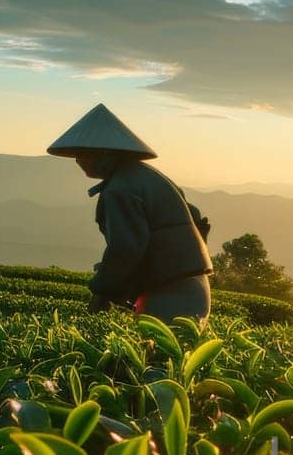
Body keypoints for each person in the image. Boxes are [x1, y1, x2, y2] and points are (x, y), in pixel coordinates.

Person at [47, 104, 213, 322]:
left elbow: (125, 249)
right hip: (193, 286)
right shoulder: (147, 176)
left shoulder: (121, 189)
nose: (78, 160)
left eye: (83, 154)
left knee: (156, 353)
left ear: (105, 154)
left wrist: (103, 290)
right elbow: (195, 217)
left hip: (170, 291)